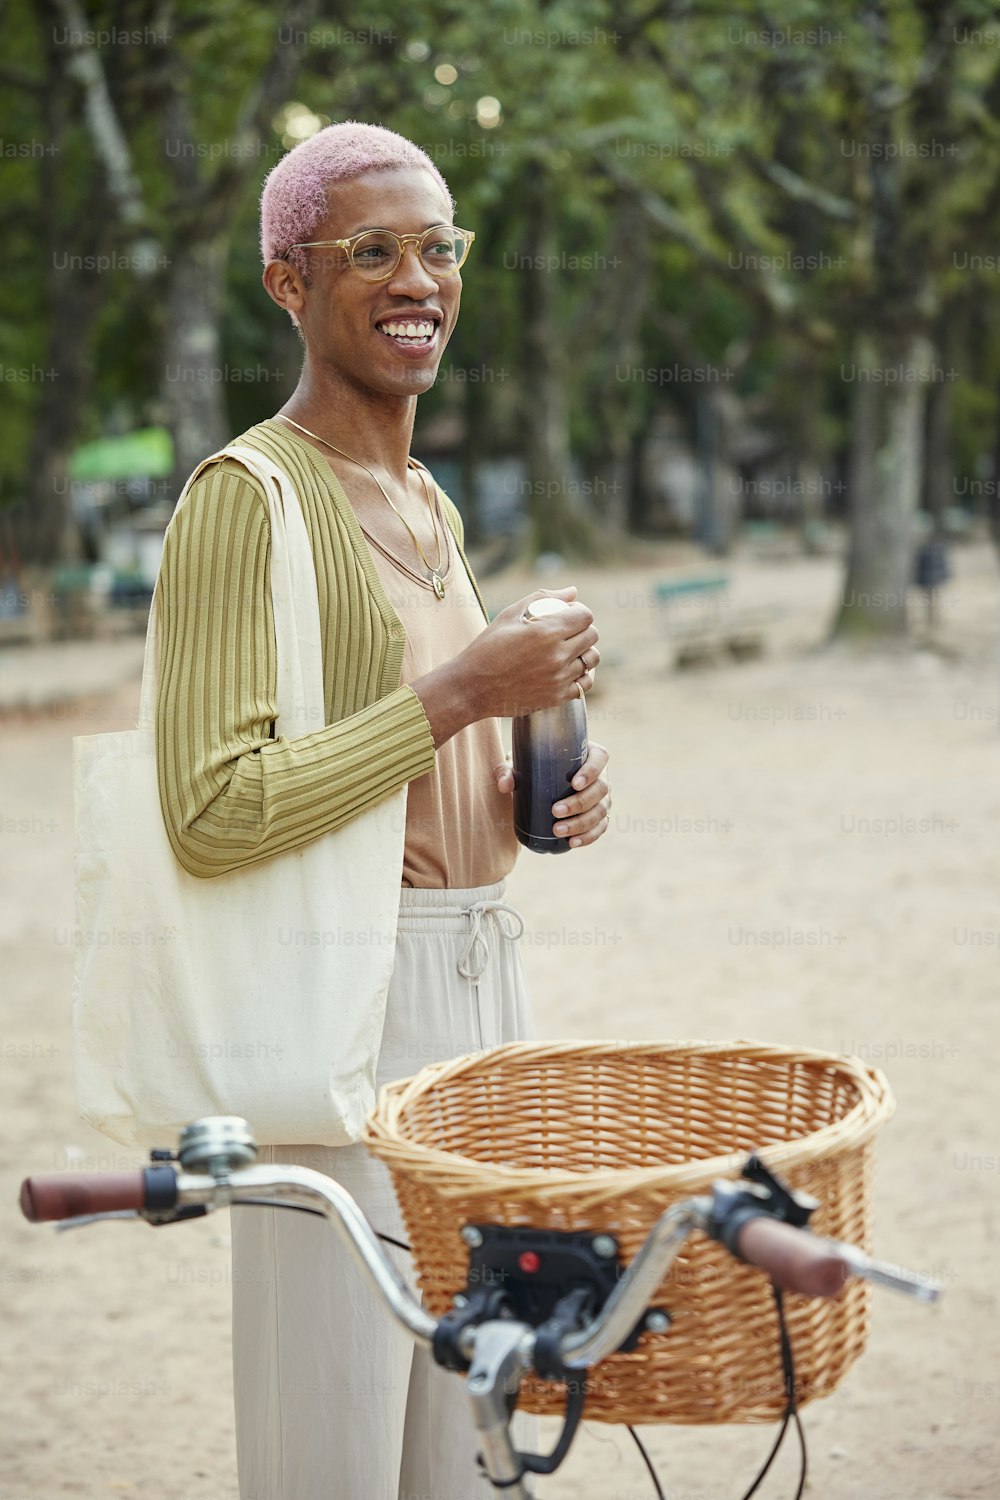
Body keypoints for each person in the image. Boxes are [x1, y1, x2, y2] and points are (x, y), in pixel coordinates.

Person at [154, 120, 611, 1500]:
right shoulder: (246, 498)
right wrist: (467, 692)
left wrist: (550, 784)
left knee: (477, 1454)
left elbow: (412, 748)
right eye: (372, 251)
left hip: (479, 1002)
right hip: (339, 1011)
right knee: (331, 1459)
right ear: (290, 282)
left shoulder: (425, 498)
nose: (418, 277)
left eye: (438, 246)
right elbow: (212, 811)